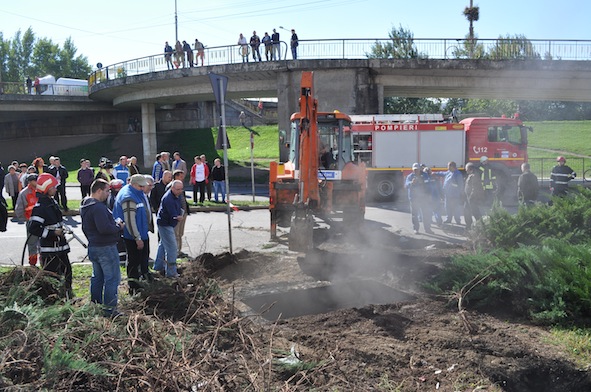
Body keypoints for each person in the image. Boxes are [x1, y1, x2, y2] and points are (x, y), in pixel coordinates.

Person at [81, 179, 125, 316]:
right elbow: (104, 228)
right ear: (99, 191)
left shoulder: (85, 205)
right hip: (105, 247)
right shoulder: (98, 207)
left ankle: (96, 305)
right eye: (107, 191)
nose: (108, 194)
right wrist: (118, 226)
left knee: (97, 277)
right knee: (112, 278)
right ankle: (109, 310)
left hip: (93, 246)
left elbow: (86, 228)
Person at [28, 173, 73, 297]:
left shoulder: (52, 202)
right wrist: (52, 233)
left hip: (60, 247)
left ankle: (68, 295)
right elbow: (34, 228)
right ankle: (53, 299)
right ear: (46, 189)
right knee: (51, 276)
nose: (56, 189)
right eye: (53, 187)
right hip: (49, 250)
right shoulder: (40, 207)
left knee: (67, 271)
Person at [113, 174, 151, 294]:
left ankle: (143, 279)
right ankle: (134, 287)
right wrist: (137, 238)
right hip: (133, 236)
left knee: (143, 258)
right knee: (134, 261)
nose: (143, 188)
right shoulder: (129, 197)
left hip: (141, 232)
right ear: (133, 184)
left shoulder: (136, 192)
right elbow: (130, 221)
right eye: (141, 186)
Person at [153, 180, 185, 278]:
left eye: (181, 189)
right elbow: (173, 215)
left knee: (163, 245)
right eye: (178, 189)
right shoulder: (168, 199)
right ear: (172, 188)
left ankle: (158, 267)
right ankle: (171, 273)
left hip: (167, 223)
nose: (180, 191)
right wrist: (179, 216)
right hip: (165, 224)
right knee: (172, 248)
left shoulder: (176, 195)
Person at [15, 174, 39, 266]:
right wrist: (26, 219)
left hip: (43, 222)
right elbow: (19, 209)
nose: (37, 182)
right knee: (32, 245)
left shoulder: (41, 191)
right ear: (29, 182)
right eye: (35, 180)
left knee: (43, 244)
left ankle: (44, 263)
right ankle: (33, 264)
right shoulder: (24, 193)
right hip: (31, 222)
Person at [404, 163, 432, 234]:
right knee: (414, 214)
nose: (416, 171)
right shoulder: (410, 176)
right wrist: (411, 183)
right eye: (415, 170)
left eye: (417, 169)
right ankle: (416, 229)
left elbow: (428, 184)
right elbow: (406, 185)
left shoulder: (424, 175)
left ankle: (427, 229)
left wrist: (422, 182)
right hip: (414, 198)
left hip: (423, 197)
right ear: (413, 170)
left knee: (426, 213)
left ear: (420, 169)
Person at [168, 170, 190, 256]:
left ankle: (179, 250)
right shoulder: (172, 187)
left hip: (183, 213)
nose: (182, 178)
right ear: (176, 176)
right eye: (181, 176)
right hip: (177, 214)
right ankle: (175, 252)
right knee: (175, 233)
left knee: (180, 233)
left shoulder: (180, 186)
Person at [464, 162, 484, 230]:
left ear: (470, 169)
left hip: (472, 198)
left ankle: (481, 225)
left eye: (466, 169)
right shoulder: (471, 175)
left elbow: (475, 188)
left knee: (475, 212)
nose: (465, 170)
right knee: (466, 211)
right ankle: (469, 225)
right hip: (468, 197)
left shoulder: (475, 176)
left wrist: (471, 197)